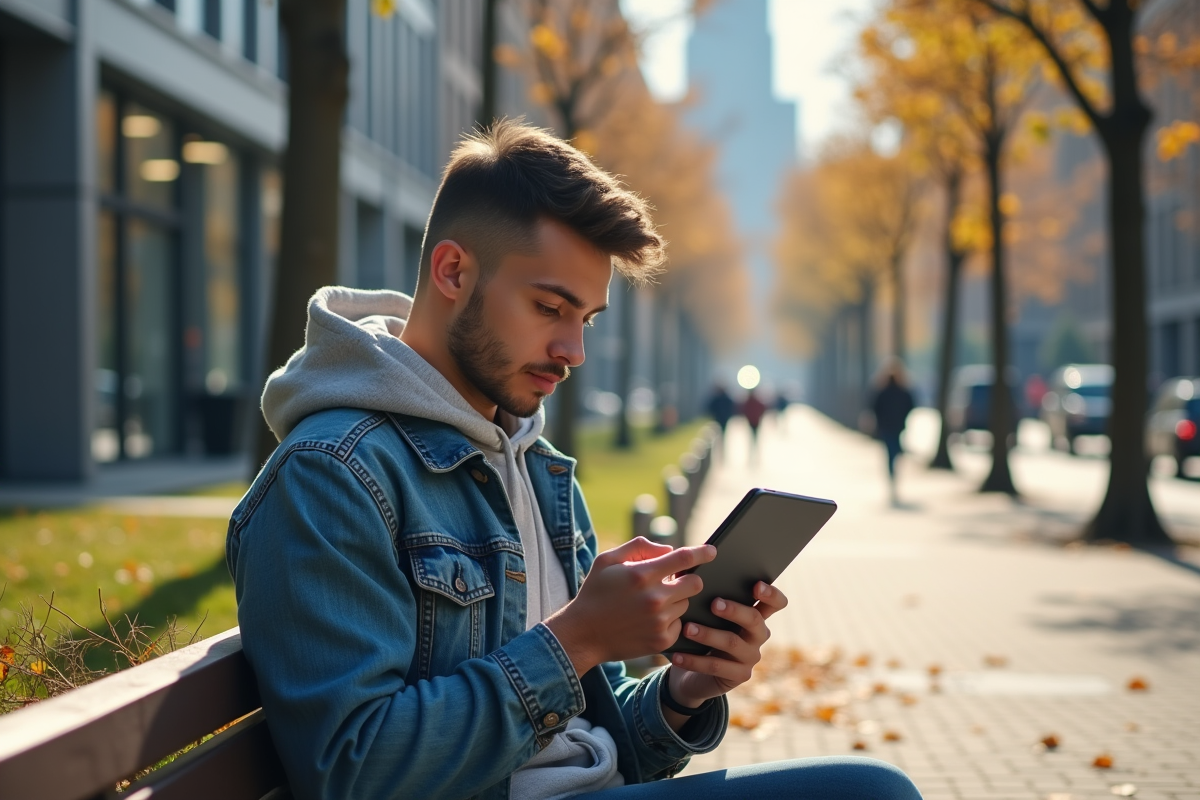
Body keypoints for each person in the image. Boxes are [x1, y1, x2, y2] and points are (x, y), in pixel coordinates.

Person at [228, 122, 922, 800]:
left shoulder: (536, 466)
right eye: (549, 307)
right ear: (452, 271)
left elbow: (594, 728)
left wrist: (684, 693)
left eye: (584, 318)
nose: (573, 350)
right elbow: (353, 772)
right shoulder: (333, 474)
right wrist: (578, 638)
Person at [870, 361, 917, 504]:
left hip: (887, 427)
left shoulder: (882, 391)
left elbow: (874, 407)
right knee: (894, 450)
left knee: (890, 452)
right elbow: (911, 405)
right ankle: (894, 474)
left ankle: (892, 475)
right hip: (896, 426)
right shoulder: (903, 391)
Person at [705, 382, 736, 457]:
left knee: (720, 434)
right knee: (719, 435)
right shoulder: (722, 398)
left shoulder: (719, 398)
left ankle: (721, 449)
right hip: (720, 419)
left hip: (721, 419)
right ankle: (720, 449)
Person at [741, 388, 768, 465]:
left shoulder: (751, 401)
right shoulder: (751, 401)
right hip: (753, 421)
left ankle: (754, 457)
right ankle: (753, 457)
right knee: (753, 439)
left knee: (753, 439)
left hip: (755, 421)